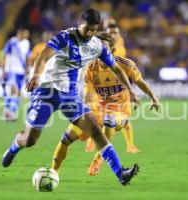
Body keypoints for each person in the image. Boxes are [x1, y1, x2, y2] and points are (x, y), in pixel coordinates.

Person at [2, 8, 139, 186]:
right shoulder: (65, 37)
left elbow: (117, 69)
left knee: (96, 131)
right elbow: (43, 57)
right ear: (79, 24)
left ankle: (121, 173)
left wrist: (132, 91)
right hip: (46, 91)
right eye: (87, 28)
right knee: (30, 140)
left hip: (70, 96)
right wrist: (35, 75)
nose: (90, 33)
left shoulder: (97, 45)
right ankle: (15, 146)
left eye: (93, 29)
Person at [51, 32, 159, 176]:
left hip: (120, 112)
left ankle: (98, 160)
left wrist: (153, 98)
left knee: (110, 120)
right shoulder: (91, 69)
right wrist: (83, 114)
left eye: (105, 48)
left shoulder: (126, 65)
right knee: (67, 137)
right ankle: (52, 172)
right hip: (98, 111)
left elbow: (140, 82)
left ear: (112, 50)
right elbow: (89, 95)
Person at [85, 23, 139, 153]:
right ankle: (91, 142)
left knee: (122, 118)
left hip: (116, 87)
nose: (113, 35)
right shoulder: (101, 46)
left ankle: (130, 145)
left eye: (115, 33)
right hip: (100, 85)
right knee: (96, 116)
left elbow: (121, 68)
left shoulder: (120, 48)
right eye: (111, 32)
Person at [2, 27, 31, 121]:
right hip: (12, 71)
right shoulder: (12, 42)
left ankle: (9, 111)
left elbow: (27, 57)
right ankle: (10, 112)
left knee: (17, 92)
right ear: (20, 33)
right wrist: (3, 69)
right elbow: (5, 55)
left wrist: (27, 69)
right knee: (13, 90)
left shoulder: (26, 43)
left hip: (21, 72)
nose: (26, 35)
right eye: (25, 33)